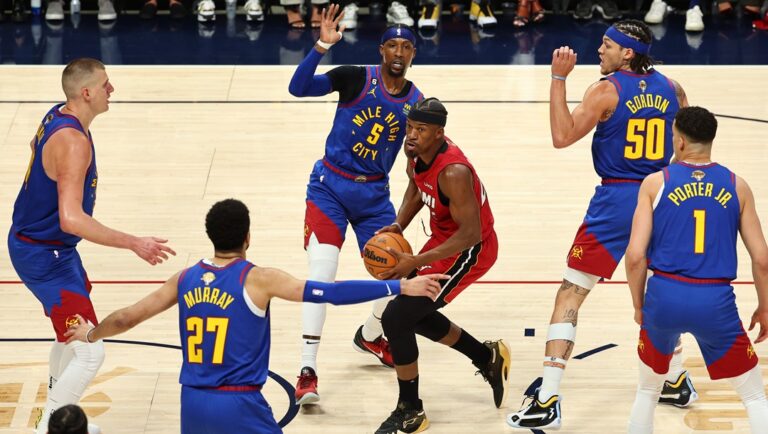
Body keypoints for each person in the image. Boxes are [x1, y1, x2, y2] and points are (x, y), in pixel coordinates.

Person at [65, 198, 446, 434]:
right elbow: (329, 293)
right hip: (239, 405)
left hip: (192, 403)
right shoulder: (258, 280)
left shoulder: (183, 279)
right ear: (247, 238)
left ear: (211, 236)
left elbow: (127, 318)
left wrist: (89, 334)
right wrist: (398, 287)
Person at [507, 20, 692, 430]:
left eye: (607, 45)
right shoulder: (674, 89)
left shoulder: (606, 90)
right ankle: (676, 380)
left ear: (627, 53)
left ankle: (548, 399)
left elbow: (562, 135)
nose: (600, 50)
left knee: (571, 292)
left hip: (617, 200)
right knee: (659, 290)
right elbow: (685, 147)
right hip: (662, 194)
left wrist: (558, 79)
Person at [7, 58, 176, 434]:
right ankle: (51, 425)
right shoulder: (72, 143)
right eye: (105, 84)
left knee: (70, 336)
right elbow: (71, 218)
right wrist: (135, 242)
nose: (111, 90)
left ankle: (54, 404)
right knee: (90, 347)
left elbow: (34, 146)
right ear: (86, 93)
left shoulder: (60, 114)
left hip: (50, 247)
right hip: (43, 253)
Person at [288, 5, 423, 405]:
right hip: (329, 188)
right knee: (322, 276)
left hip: (374, 196)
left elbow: (419, 163)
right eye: (392, 45)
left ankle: (369, 335)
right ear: (381, 51)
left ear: (413, 55)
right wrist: (320, 47)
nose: (399, 52)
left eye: (406, 47)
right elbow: (298, 88)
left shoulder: (417, 103)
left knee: (403, 272)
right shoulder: (354, 78)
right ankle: (307, 370)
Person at [625, 106, 768, 434]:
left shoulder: (654, 183)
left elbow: (635, 256)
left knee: (647, 391)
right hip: (715, 300)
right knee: (753, 396)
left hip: (664, 295)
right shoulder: (737, 185)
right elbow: (762, 258)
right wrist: (765, 306)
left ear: (679, 142)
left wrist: (638, 305)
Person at [370, 97, 509, 433]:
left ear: (439, 133)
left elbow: (472, 233)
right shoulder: (415, 153)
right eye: (410, 127)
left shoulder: (454, 171)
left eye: (421, 129)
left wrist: (415, 261)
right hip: (443, 242)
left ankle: (410, 409)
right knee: (410, 315)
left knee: (397, 315)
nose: (412, 135)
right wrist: (399, 225)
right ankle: (485, 356)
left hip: (471, 249)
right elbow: (416, 188)